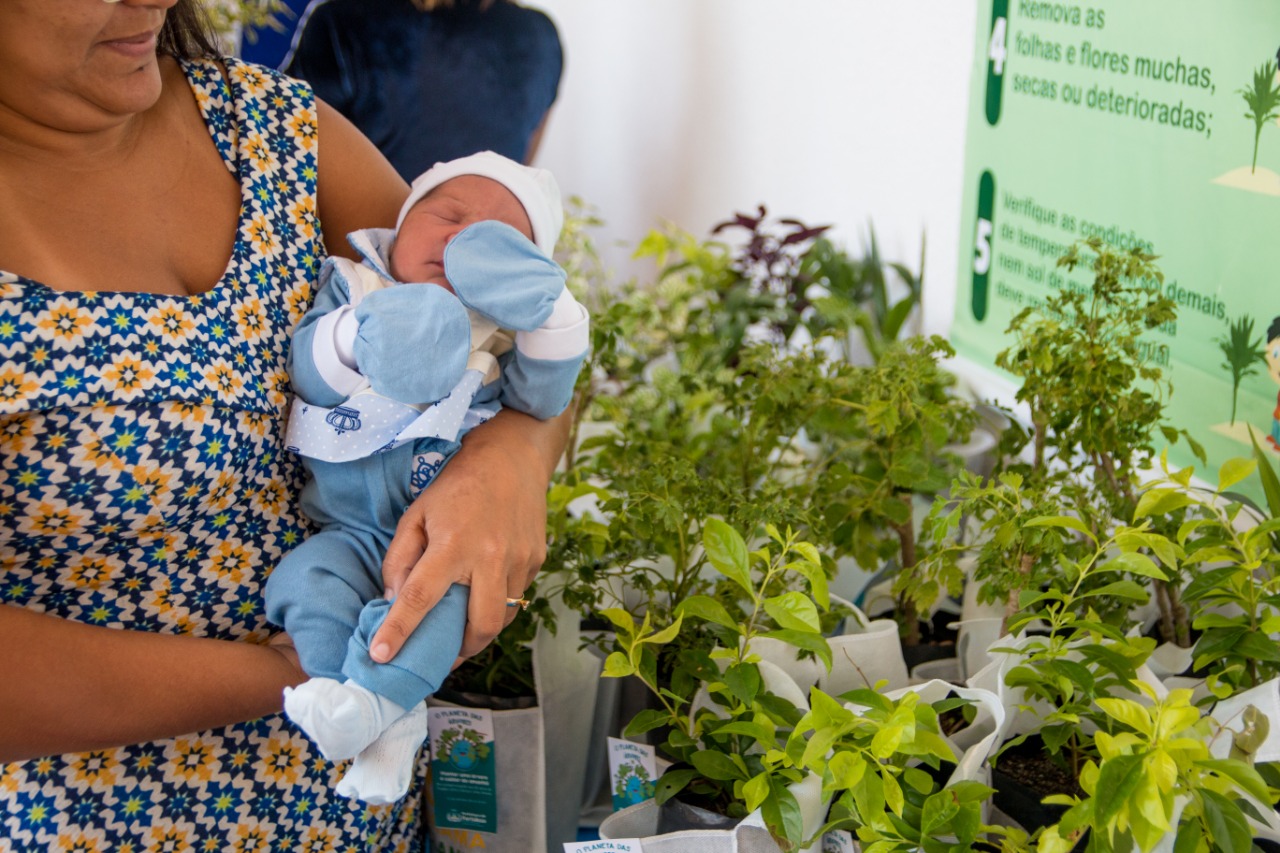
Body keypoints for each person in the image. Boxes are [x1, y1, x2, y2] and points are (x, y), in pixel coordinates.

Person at [0, 1, 567, 849]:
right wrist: (294, 672)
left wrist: (512, 457)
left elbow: (514, 346)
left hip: (364, 823)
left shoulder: (278, 130)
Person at [267, 151, 587, 804]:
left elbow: (545, 402)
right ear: (404, 220)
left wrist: (548, 310)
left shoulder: (504, 335)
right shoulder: (355, 286)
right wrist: (361, 339)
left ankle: (379, 702)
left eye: (498, 242)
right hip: (347, 528)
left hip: (444, 543)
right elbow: (308, 365)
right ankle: (370, 708)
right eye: (448, 215)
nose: (463, 241)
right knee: (303, 584)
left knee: (440, 607)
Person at [283, 0, 562, 175]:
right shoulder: (541, 38)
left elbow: (283, 160)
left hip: (359, 259)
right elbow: (517, 179)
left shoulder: (345, 24)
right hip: (480, 262)